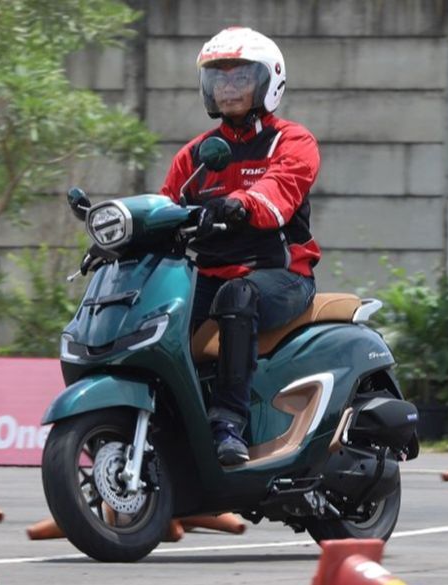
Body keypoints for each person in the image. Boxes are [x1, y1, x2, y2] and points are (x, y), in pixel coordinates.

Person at [160, 27, 321, 465]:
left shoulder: (290, 141)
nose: (227, 88)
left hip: (281, 275)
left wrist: (239, 203)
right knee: (157, 310)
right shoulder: (194, 156)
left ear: (268, 83)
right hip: (208, 277)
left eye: (239, 78)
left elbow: (279, 192)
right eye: (219, 80)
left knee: (238, 295)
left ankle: (229, 422)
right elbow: (166, 208)